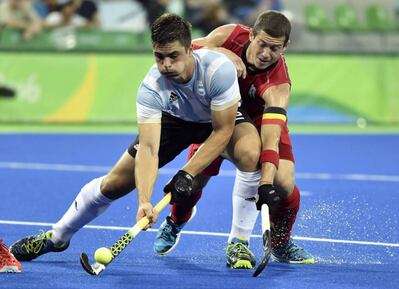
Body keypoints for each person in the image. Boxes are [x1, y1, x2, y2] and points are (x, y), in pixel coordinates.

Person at [9, 13, 241, 262]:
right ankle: (57, 237)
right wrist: (144, 200)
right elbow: (149, 149)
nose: (166, 65)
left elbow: (222, 131)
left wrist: (186, 173)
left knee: (250, 156)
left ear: (190, 49)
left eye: (173, 56)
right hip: (175, 120)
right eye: (159, 56)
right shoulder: (152, 86)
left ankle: (241, 241)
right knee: (113, 184)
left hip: (217, 118)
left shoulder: (217, 71)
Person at [153, 10, 315, 269]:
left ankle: (277, 243)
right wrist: (224, 53)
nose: (265, 54)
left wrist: (266, 184)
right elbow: (186, 50)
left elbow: (271, 141)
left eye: (275, 49)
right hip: (218, 113)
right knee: (193, 182)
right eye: (261, 44)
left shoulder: (278, 87)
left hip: (260, 120)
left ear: (285, 47)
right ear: (251, 35)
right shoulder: (231, 35)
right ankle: (175, 221)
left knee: (283, 182)